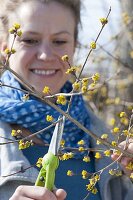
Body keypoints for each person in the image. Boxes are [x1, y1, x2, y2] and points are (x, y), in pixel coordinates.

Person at [0, 0, 132, 199]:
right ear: (5, 49)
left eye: (59, 41)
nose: (45, 55)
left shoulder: (101, 141)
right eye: (29, 40)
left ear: (75, 48)